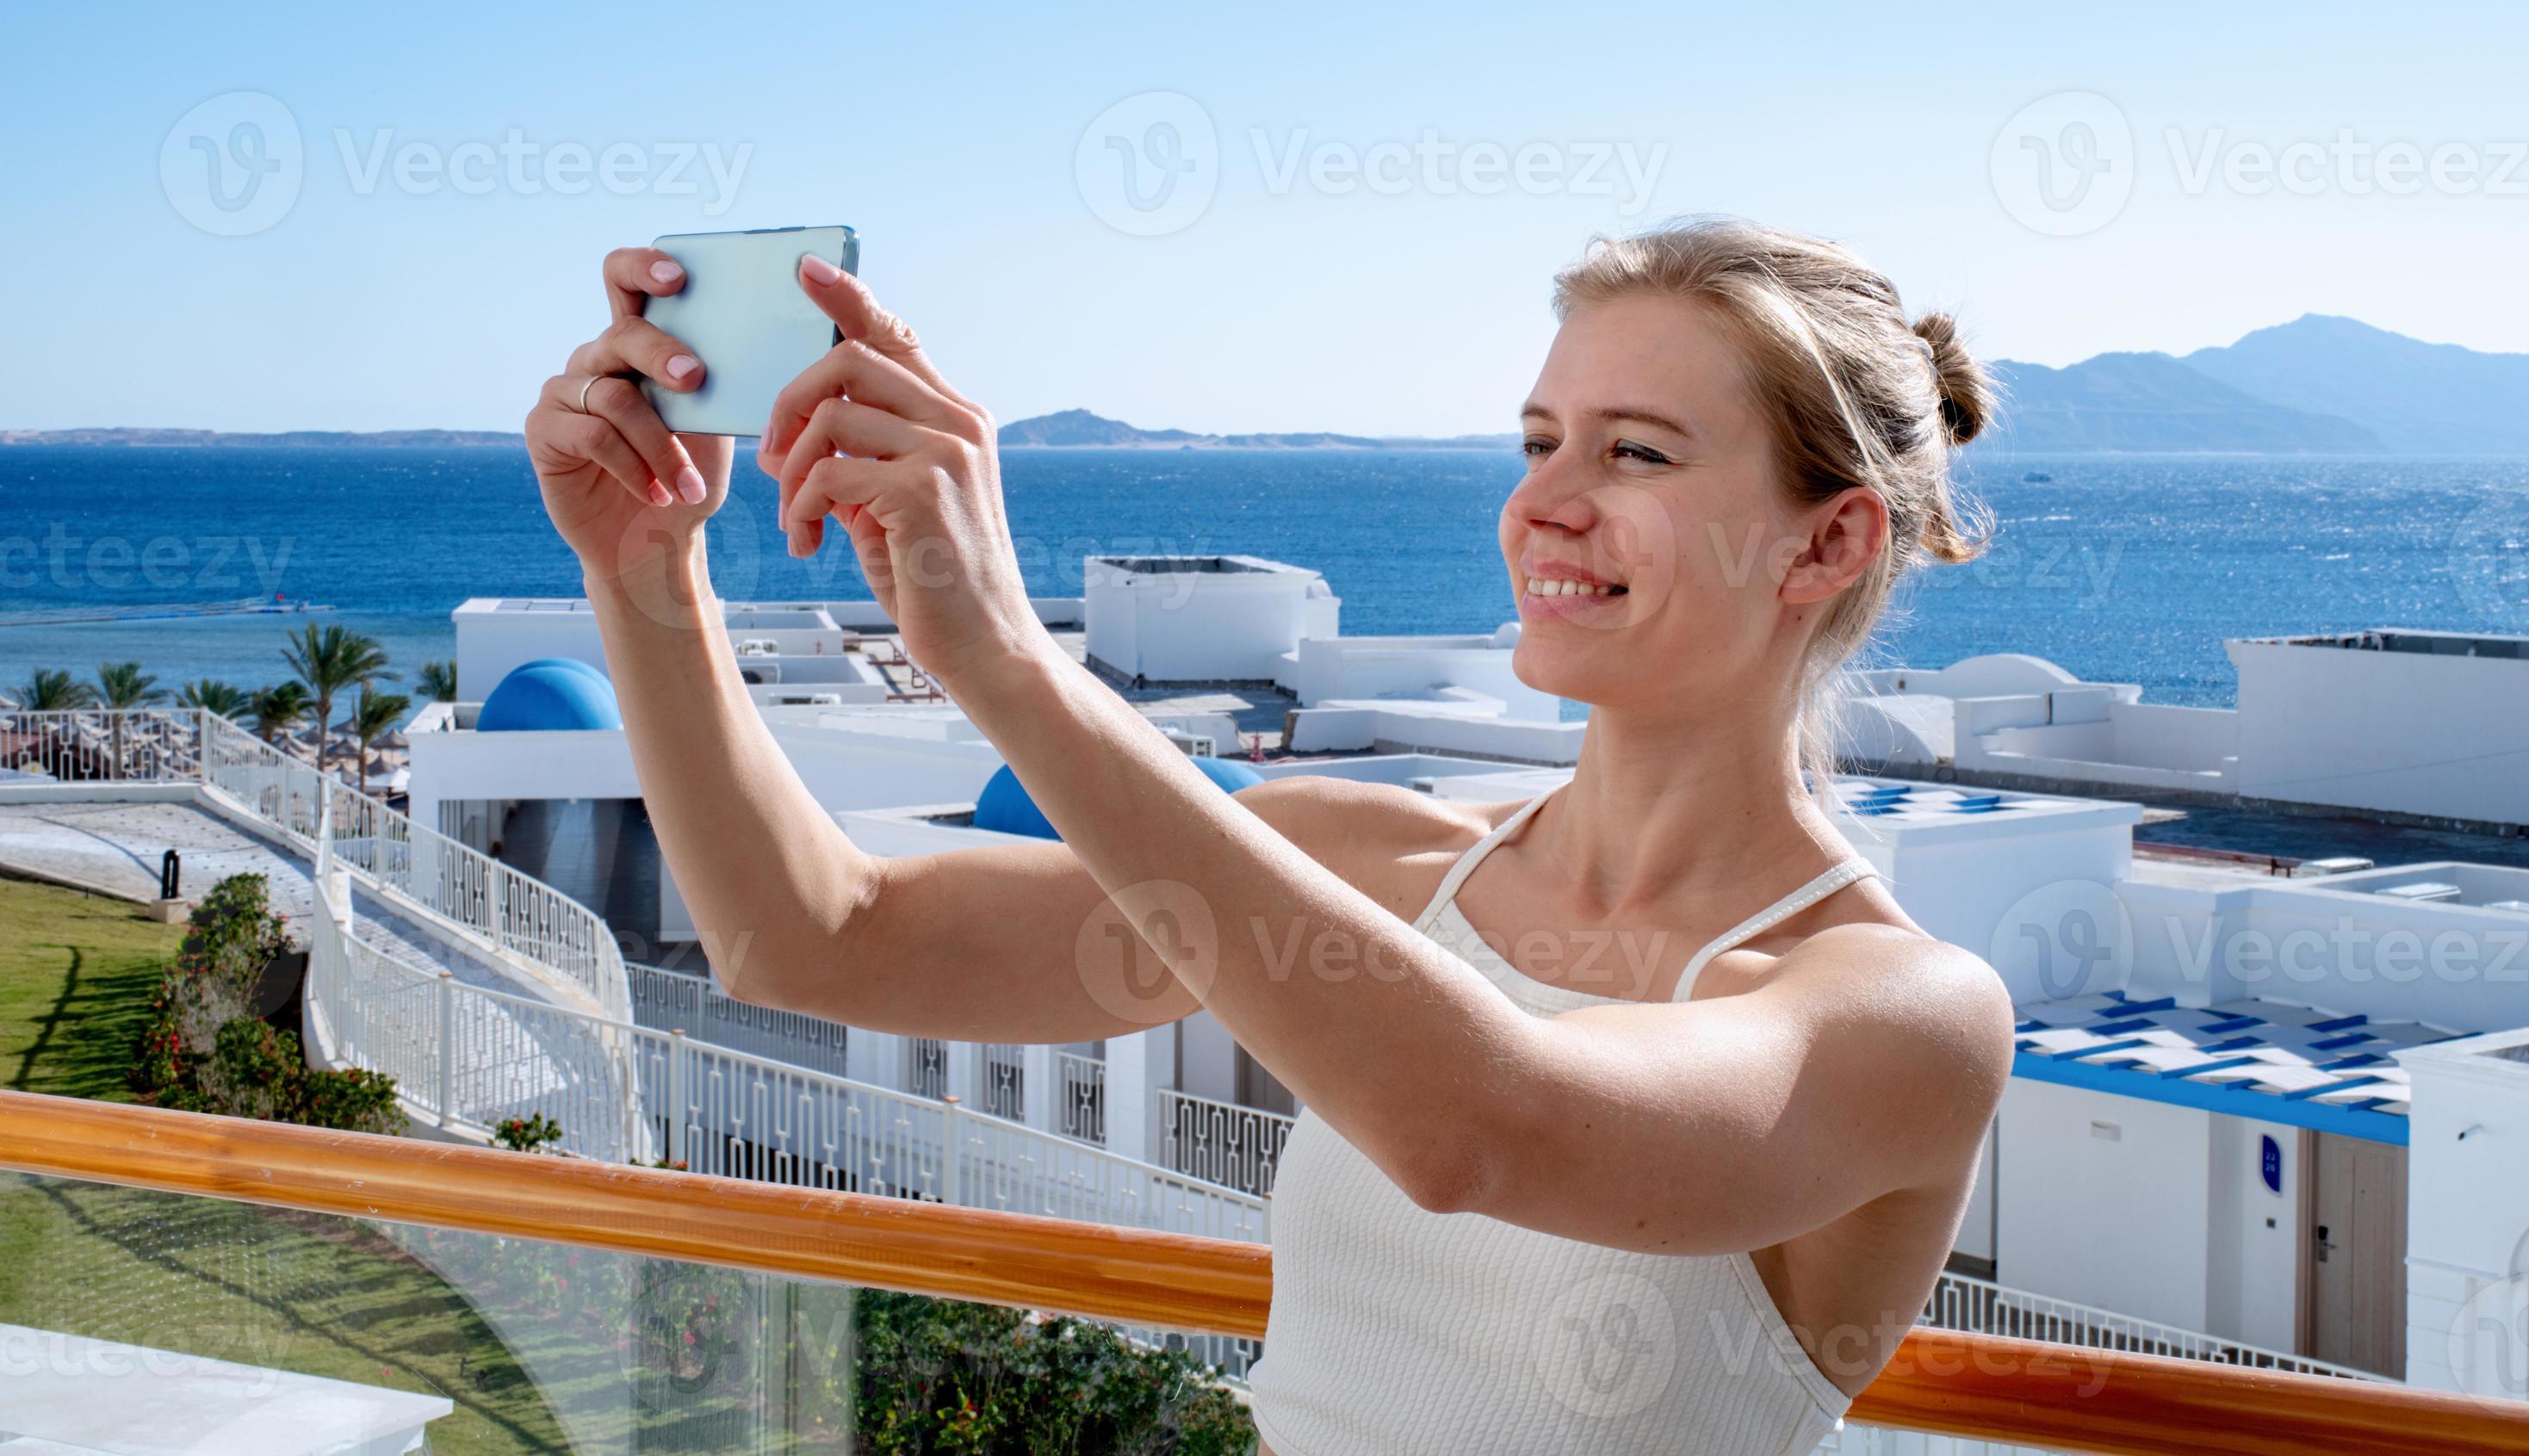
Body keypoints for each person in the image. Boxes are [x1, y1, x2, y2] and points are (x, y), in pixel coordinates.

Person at [524, 219, 2018, 1455]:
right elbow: (807, 937)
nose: (1541, 505)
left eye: (1634, 455)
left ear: (1824, 542)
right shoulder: (1364, 861)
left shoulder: (1898, 1014)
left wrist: (1002, 652)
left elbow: (1481, 1132)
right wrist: (649, 569)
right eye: (1539, 439)